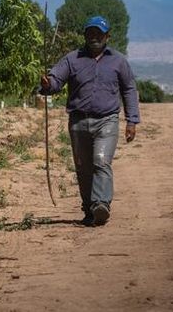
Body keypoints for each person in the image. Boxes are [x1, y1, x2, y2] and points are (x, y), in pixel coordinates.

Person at [40, 15, 140, 226]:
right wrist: (48, 84)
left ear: (107, 36)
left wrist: (132, 121)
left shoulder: (119, 61)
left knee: (101, 161)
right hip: (78, 122)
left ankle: (101, 204)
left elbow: (129, 90)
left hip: (107, 120)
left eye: (98, 33)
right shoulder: (72, 59)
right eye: (90, 33)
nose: (94, 37)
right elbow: (56, 80)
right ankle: (89, 209)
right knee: (83, 167)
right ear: (85, 35)